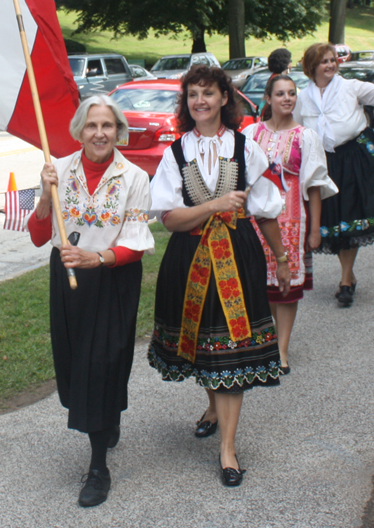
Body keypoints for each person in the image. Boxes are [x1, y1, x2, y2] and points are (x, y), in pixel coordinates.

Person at [149, 65, 291, 487]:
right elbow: (170, 219)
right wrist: (213, 206)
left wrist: (282, 259)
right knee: (205, 346)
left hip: (237, 256)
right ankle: (213, 406)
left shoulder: (247, 149)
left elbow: (264, 210)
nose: (200, 102)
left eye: (208, 93)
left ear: (224, 98)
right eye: (192, 95)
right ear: (186, 102)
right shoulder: (176, 153)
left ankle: (228, 449)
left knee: (230, 350)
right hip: (190, 258)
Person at [26, 95, 154, 508]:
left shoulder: (134, 176)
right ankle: (106, 415)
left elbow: (135, 246)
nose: (100, 133)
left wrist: (96, 258)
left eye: (108, 125)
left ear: (119, 131)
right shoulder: (57, 169)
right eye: (92, 125)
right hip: (67, 277)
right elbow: (37, 233)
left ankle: (98, 467)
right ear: (79, 130)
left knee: (104, 363)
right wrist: (46, 197)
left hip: (113, 278)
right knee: (73, 362)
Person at [243, 75, 338, 372]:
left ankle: (281, 350)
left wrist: (314, 229)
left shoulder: (305, 136)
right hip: (255, 222)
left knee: (287, 288)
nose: (287, 99)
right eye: (280, 94)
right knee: (263, 284)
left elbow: (315, 185)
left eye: (292, 94)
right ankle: (270, 335)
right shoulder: (250, 134)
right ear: (268, 99)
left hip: (292, 221)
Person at [294, 43, 374, 307]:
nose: (330, 65)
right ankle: (348, 275)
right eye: (323, 61)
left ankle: (345, 280)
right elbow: (295, 127)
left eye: (332, 60)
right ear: (311, 66)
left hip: (352, 159)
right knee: (335, 220)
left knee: (350, 218)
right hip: (322, 163)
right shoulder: (303, 96)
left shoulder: (351, 86)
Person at [259, 49, 293, 119]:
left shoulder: (273, 78)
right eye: (290, 61)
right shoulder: (281, 81)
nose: (291, 65)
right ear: (285, 64)